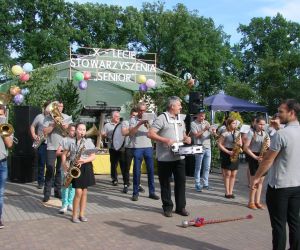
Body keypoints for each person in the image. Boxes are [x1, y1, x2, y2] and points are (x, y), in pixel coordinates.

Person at [251, 99, 300, 250]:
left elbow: (267, 160)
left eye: (281, 111)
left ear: (291, 113)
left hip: (280, 187)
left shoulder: (281, 135)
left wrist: (256, 177)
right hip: (297, 185)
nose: (278, 115)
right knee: (294, 223)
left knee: (278, 226)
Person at [148, 96, 191, 217]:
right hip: (165, 157)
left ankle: (180, 207)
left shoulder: (180, 118)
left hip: (180, 156)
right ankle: (167, 207)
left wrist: (186, 138)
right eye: (179, 105)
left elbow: (182, 134)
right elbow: (150, 133)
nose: (181, 107)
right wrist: (165, 139)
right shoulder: (162, 118)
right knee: (165, 183)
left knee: (181, 182)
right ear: (172, 106)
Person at [62, 123, 96, 223]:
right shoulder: (70, 142)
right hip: (75, 168)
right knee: (78, 192)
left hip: (86, 167)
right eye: (80, 129)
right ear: (76, 130)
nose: (82, 132)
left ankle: (82, 214)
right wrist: (65, 165)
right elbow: (64, 155)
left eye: (84, 130)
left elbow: (93, 156)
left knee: (84, 192)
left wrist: (83, 161)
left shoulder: (88, 142)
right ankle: (74, 215)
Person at [43, 101, 72, 202]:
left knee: (60, 170)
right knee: (50, 168)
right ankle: (46, 193)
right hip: (51, 147)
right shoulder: (48, 117)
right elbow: (45, 132)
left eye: (61, 106)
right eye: (58, 106)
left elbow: (70, 132)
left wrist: (65, 127)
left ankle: (57, 191)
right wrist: (54, 124)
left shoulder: (67, 117)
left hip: (63, 147)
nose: (59, 108)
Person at [129, 102, 159, 201]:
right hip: (137, 148)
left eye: (144, 110)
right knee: (137, 171)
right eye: (141, 110)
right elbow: (131, 133)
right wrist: (140, 123)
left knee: (151, 171)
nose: (142, 112)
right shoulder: (133, 119)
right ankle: (135, 193)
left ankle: (152, 192)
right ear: (137, 110)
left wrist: (149, 125)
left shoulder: (150, 118)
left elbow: (155, 131)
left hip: (148, 147)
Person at [243, 117, 269, 210]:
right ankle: (251, 202)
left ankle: (258, 201)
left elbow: (267, 145)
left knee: (261, 181)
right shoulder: (251, 133)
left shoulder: (265, 133)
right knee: (254, 180)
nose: (262, 126)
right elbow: (245, 147)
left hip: (262, 157)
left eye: (263, 124)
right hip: (253, 156)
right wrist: (255, 157)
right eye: (260, 124)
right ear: (256, 124)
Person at [121, 107, 146, 194]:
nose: (134, 117)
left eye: (136, 116)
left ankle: (138, 184)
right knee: (126, 167)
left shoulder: (141, 121)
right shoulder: (125, 122)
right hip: (129, 147)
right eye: (133, 115)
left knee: (137, 168)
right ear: (130, 115)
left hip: (138, 147)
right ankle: (126, 184)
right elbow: (124, 133)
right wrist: (133, 129)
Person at [190, 109, 215, 192]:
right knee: (198, 167)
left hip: (208, 147)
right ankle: (197, 184)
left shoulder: (207, 122)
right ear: (197, 115)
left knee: (207, 167)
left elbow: (211, 134)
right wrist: (204, 129)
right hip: (199, 147)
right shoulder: (193, 123)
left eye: (203, 115)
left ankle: (205, 184)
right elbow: (196, 135)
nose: (202, 117)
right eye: (201, 115)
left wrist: (213, 132)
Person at [217, 117, 241, 199]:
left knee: (234, 174)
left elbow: (240, 143)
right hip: (227, 152)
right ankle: (227, 192)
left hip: (235, 152)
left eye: (235, 123)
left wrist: (239, 145)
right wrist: (227, 151)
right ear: (229, 124)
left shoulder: (237, 133)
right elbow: (219, 144)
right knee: (228, 174)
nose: (235, 125)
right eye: (233, 123)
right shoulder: (225, 133)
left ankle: (231, 191)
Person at [101, 111, 126, 186]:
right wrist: (104, 135)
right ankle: (114, 179)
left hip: (122, 147)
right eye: (116, 116)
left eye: (119, 116)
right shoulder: (107, 125)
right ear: (112, 117)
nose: (118, 118)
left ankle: (125, 179)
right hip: (112, 147)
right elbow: (103, 134)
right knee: (114, 164)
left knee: (123, 164)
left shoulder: (122, 124)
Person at [56, 124, 76, 214]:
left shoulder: (77, 141)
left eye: (75, 130)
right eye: (72, 130)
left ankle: (70, 203)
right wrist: (65, 153)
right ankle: (64, 205)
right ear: (68, 131)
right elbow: (57, 152)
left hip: (74, 164)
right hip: (65, 164)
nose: (73, 132)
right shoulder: (64, 140)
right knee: (65, 185)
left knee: (73, 186)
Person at [30, 101, 50, 189]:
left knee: (50, 164)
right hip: (41, 143)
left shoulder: (53, 118)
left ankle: (49, 182)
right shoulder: (39, 116)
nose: (49, 110)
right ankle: (40, 182)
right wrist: (34, 135)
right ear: (44, 108)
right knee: (41, 163)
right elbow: (32, 126)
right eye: (48, 108)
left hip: (51, 143)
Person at [0, 105, 13, 229]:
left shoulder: (7, 128)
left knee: (0, 193)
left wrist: (3, 129)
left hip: (2, 163)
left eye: (2, 116)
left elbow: (9, 144)